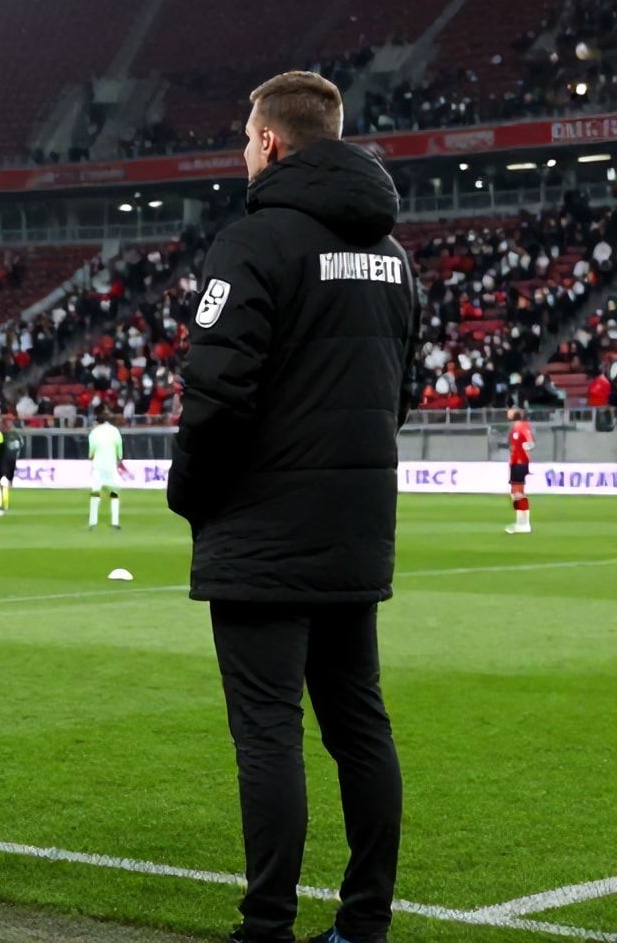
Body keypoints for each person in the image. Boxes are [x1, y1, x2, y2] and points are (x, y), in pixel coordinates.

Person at [166, 71, 420, 943]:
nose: (243, 151)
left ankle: (266, 924)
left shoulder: (255, 242)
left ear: (271, 141)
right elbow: (401, 396)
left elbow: (214, 393)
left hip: (263, 533)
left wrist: (190, 496)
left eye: (246, 137)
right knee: (359, 724)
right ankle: (365, 923)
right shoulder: (393, 256)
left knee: (268, 733)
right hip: (354, 530)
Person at [87, 409, 128, 531]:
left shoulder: (94, 432)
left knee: (95, 493)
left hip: (98, 465)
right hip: (111, 466)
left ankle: (92, 521)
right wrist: (119, 459)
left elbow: (91, 450)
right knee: (114, 493)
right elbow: (119, 449)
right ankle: (115, 521)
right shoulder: (115, 431)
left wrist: (91, 456)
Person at [505, 407, 535, 534]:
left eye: (510, 410)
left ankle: (524, 524)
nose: (508, 412)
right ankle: (521, 523)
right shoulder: (516, 427)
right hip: (516, 462)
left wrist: (524, 450)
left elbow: (530, 443)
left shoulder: (521, 426)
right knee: (516, 493)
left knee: (518, 493)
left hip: (520, 463)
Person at [0, 415, 22, 515]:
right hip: (2, 460)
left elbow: (20, 445)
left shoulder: (14, 435)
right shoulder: (0, 435)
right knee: (2, 481)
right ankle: (2, 502)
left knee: (7, 481)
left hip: (11, 460)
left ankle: (4, 502)